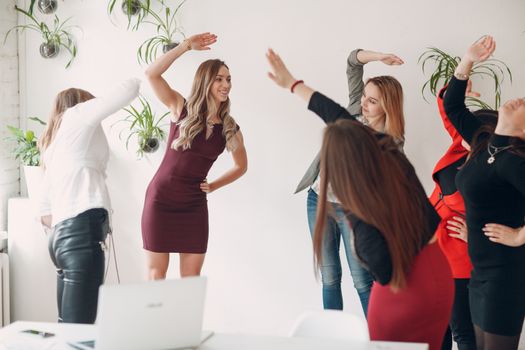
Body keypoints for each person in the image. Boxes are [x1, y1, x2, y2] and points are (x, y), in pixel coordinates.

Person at [266, 48, 453, 350]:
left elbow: (383, 269)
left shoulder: (365, 218)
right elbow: (336, 114)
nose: (364, 105)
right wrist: (293, 84)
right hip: (438, 275)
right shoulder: (383, 149)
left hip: (403, 295)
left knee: (363, 284)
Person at [295, 48, 405, 314]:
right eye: (365, 97)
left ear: (387, 106)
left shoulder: (391, 143)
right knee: (330, 276)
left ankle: (377, 341)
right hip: (318, 200)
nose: (365, 104)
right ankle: (333, 338)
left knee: (362, 281)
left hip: (353, 212)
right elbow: (352, 62)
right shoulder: (354, 110)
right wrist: (379, 57)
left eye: (373, 101)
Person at [141, 32, 248, 280]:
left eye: (229, 79)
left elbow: (241, 166)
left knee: (191, 280)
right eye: (219, 79)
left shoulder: (229, 128)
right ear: (205, 82)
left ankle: (182, 321)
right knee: (156, 274)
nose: (226, 84)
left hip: (193, 206)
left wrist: (212, 185)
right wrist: (185, 46)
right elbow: (151, 74)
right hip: (161, 200)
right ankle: (154, 320)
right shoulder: (181, 108)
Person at [443, 35, 525, 350]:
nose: (520, 101)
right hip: (480, 273)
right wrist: (468, 59)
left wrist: (519, 236)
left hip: (506, 277)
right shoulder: (483, 143)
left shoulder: (513, 163)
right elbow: (453, 105)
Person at [39, 79, 141, 323]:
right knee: (79, 333)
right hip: (80, 237)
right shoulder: (77, 115)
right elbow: (129, 88)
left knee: (68, 327)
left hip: (60, 239)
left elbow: (44, 212)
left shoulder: (55, 146)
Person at [430, 83, 497, 350]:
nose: (461, 133)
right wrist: (456, 91)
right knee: (437, 328)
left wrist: (477, 236)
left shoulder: (492, 172)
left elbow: (502, 218)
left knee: (462, 332)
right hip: (434, 250)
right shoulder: (461, 146)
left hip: (458, 257)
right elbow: (448, 112)